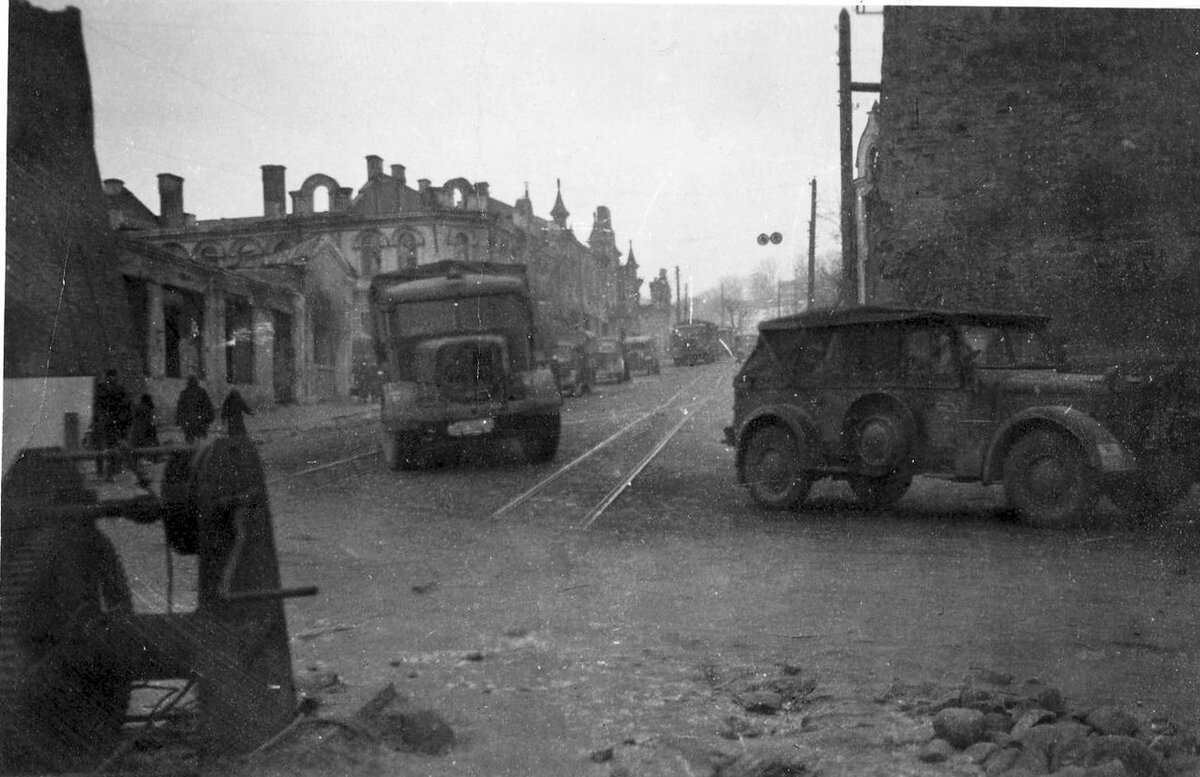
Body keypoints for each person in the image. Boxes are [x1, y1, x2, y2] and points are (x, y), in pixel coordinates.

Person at [93, 369, 131, 481]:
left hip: (114, 424)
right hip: (104, 423)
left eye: (113, 377)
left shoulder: (120, 390)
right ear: (106, 377)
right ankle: (102, 472)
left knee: (112, 449)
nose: (111, 379)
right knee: (101, 449)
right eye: (109, 377)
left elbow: (125, 406)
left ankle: (111, 473)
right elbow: (98, 405)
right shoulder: (101, 389)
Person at [126, 394, 159, 487]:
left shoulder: (137, 409)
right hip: (145, 437)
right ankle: (144, 479)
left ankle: (140, 478)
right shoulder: (148, 410)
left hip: (136, 436)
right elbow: (150, 424)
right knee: (146, 459)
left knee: (138, 458)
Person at [175, 376, 214, 444]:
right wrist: (208, 417)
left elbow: (180, 408)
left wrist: (179, 420)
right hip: (200, 421)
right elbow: (207, 406)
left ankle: (191, 450)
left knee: (190, 440)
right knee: (201, 440)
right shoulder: (201, 392)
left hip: (188, 421)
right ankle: (200, 451)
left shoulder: (184, 393)